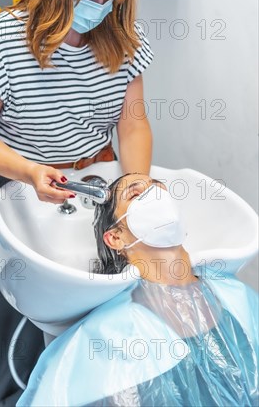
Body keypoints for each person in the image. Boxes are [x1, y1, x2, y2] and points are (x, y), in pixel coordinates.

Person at [0, 0, 155, 407]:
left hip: (99, 184)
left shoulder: (121, 38)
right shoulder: (2, 40)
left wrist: (135, 182)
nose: (99, 7)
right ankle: (8, 395)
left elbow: (132, 121)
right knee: (21, 313)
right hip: (20, 189)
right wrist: (30, 171)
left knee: (100, 303)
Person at [16, 173, 259, 407]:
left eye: (158, 188)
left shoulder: (235, 295)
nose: (155, 196)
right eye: (135, 195)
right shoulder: (109, 335)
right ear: (115, 239)